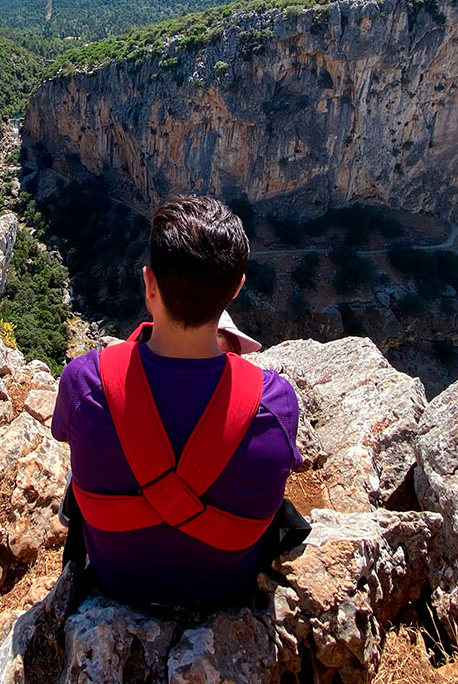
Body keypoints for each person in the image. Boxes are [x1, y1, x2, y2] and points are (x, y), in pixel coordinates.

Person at [51, 195, 304, 611]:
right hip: (222, 590)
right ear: (237, 288)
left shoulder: (85, 381)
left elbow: (64, 431)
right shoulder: (275, 403)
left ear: (149, 283)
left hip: (118, 581)